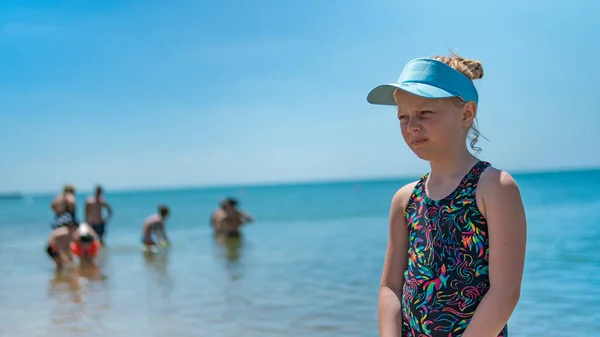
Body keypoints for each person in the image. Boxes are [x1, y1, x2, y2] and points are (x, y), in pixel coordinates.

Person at [367, 53, 527, 337]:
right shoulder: (406, 200)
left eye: (425, 113)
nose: (411, 125)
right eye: (403, 117)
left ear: (466, 113)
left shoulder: (494, 187)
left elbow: (505, 291)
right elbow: (390, 287)